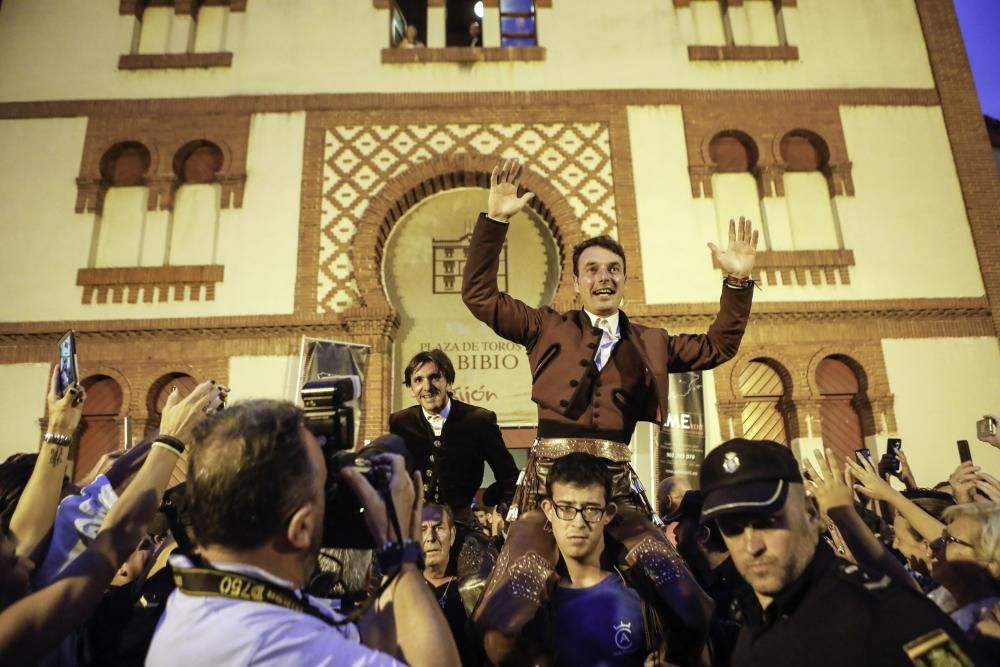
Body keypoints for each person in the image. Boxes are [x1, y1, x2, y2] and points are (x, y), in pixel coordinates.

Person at [463, 158, 756, 663]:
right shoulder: (545, 326)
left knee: (687, 602)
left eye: (613, 270)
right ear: (576, 282)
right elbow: (480, 294)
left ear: (624, 281)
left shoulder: (651, 342)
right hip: (547, 489)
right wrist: (494, 220)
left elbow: (717, 347)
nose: (604, 277)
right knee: (506, 614)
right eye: (593, 270)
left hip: (617, 491)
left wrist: (736, 283)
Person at [146, 399, 460, 667]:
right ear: (301, 528)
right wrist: (400, 552)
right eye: (327, 487)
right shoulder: (270, 643)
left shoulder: (205, 594)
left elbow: (365, 637)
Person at [699, 438, 982, 666]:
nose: (752, 546)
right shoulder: (753, 625)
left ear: (811, 514)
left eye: (767, 522)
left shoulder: (885, 613)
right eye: (732, 528)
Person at [540, 453, 653, 665]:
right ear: (548, 510)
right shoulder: (535, 604)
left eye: (591, 509)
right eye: (565, 508)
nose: (578, 522)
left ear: (608, 513)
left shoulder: (641, 594)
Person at [389, 349, 518, 526]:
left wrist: (510, 519)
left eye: (434, 377)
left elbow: (509, 477)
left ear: (449, 382)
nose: (427, 387)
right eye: (418, 380)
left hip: (462, 526)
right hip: (414, 528)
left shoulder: (479, 420)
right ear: (411, 389)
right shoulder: (400, 422)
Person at [420, 504, 474, 665]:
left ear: (452, 535)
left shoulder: (473, 590)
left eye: (438, 527)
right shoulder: (405, 590)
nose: (431, 537)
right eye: (422, 530)